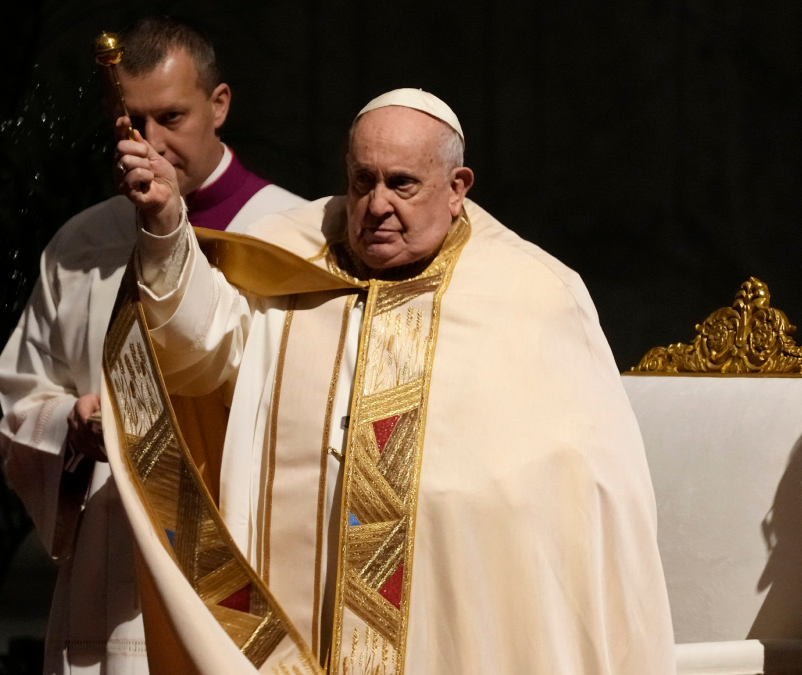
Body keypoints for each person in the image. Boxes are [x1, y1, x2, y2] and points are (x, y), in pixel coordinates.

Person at [103, 88, 676, 673]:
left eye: (402, 184)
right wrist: (167, 227)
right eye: (362, 181)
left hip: (454, 609)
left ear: (457, 188)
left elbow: (593, 489)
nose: (377, 205)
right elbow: (198, 348)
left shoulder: (533, 294)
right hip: (297, 619)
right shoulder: (287, 254)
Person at [0, 16, 305, 675]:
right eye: (133, 121)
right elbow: (22, 395)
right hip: (106, 581)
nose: (150, 143)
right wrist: (68, 425)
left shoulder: (289, 234)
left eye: (171, 117)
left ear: (219, 105)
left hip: (236, 572)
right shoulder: (82, 244)